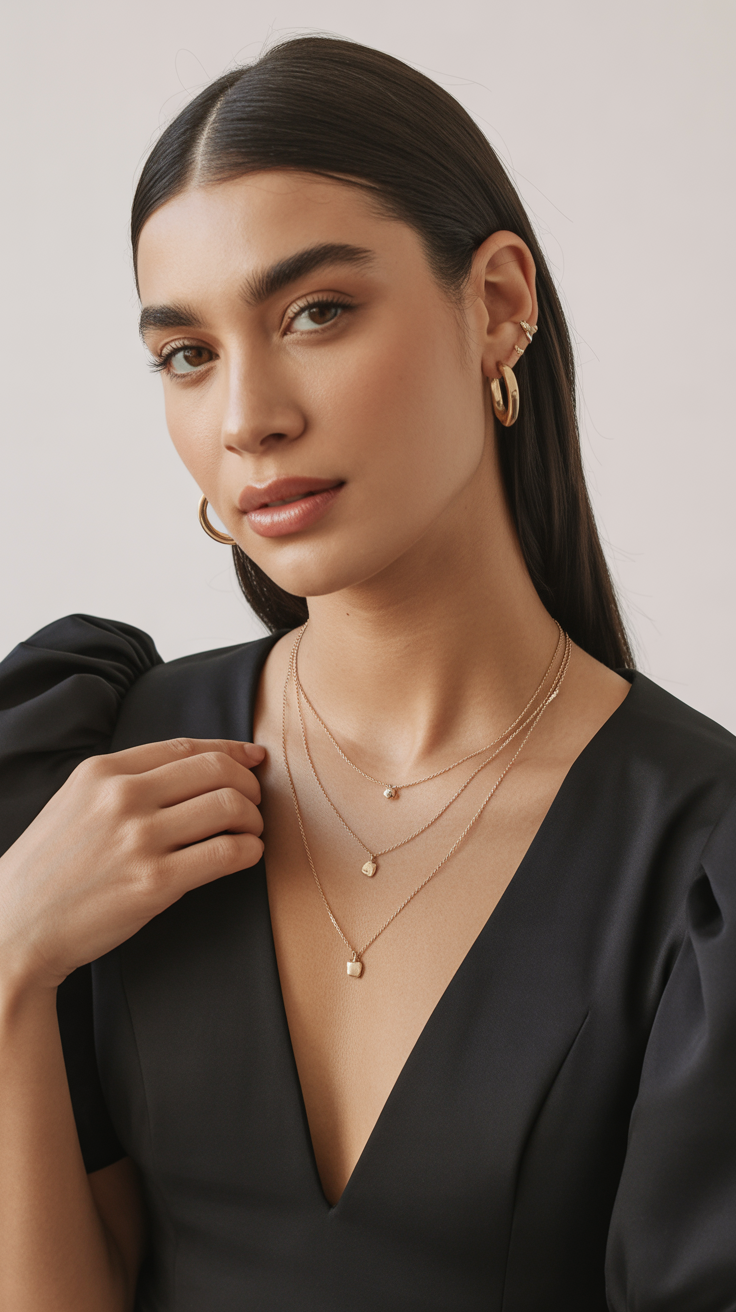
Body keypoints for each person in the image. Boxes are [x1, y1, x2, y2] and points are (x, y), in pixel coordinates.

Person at [1, 34, 734, 1312]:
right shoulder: (94, 775)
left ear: (499, 303)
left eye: (315, 313)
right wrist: (8, 964)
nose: (247, 415)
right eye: (189, 354)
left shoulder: (695, 863)